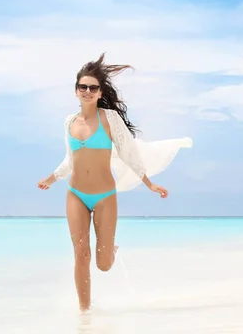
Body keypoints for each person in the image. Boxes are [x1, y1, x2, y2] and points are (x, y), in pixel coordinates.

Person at [37, 53, 193, 311]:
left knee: (103, 264)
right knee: (81, 254)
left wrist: (148, 183)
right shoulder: (68, 122)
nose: (87, 91)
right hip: (75, 193)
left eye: (93, 88)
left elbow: (129, 152)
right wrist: (52, 178)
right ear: (76, 91)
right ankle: (85, 314)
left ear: (100, 93)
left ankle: (111, 251)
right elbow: (70, 160)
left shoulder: (109, 119)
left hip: (104, 195)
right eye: (83, 87)